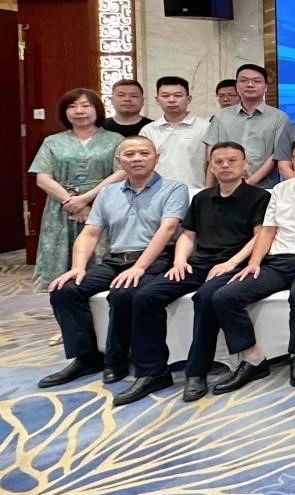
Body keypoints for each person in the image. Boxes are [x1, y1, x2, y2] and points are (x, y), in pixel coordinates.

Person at [201, 135, 295, 393]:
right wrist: (254, 262)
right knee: (225, 296)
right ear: (291, 161)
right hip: (277, 260)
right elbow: (268, 230)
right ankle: (253, 359)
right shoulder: (280, 190)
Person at [124, 142, 270, 404]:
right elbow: (188, 235)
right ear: (211, 167)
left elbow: (260, 237)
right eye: (219, 162)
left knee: (205, 297)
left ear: (245, 164)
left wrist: (231, 263)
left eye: (232, 160)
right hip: (198, 263)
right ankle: (152, 372)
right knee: (145, 296)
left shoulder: (259, 197)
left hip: (235, 265)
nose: (225, 166)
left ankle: (196, 372)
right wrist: (180, 260)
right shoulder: (202, 198)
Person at [38, 137, 188, 388]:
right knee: (65, 289)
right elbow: (90, 233)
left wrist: (139, 267)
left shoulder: (174, 188)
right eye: (129, 154)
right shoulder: (108, 193)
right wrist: (78, 267)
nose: (137, 158)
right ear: (119, 161)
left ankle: (116, 360)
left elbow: (168, 229)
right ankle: (87, 357)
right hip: (115, 260)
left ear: (156, 158)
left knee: (123, 293)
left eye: (144, 153)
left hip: (156, 259)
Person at [28, 88, 124, 286]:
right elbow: (42, 178)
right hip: (61, 207)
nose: (79, 111)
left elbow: (121, 173)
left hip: (102, 203)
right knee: (60, 258)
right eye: (72, 106)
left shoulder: (116, 139)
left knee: (101, 255)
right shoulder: (52, 141)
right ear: (65, 112)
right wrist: (71, 202)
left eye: (85, 106)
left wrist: (86, 199)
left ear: (97, 109)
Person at [203, 63, 290, 188]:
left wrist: (249, 183)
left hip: (263, 189)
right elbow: (212, 156)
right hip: (223, 189)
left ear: (266, 87)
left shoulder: (279, 118)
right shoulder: (220, 116)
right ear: (237, 86)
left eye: (256, 81)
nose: (250, 85)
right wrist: (208, 190)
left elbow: (276, 155)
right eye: (243, 80)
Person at [140, 75, 211, 189]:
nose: (171, 100)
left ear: (189, 99)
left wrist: (208, 192)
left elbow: (212, 164)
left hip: (194, 191)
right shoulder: (148, 130)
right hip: (156, 192)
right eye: (165, 96)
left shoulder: (205, 127)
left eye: (178, 95)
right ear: (157, 100)